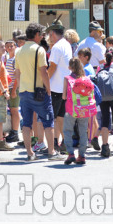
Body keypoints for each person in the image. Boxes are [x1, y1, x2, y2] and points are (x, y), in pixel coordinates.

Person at [15, 22, 64, 161]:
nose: (42, 36)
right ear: (36, 35)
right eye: (41, 34)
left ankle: (30, 153)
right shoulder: (39, 50)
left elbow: (17, 73)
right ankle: (51, 152)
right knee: (48, 122)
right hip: (38, 92)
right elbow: (44, 72)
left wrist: (20, 87)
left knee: (27, 124)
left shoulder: (19, 51)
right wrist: (48, 89)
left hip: (24, 91)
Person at [62, 57, 96, 165]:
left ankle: (71, 154)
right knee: (83, 131)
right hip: (84, 109)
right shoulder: (86, 79)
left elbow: (64, 96)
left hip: (71, 109)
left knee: (68, 130)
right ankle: (82, 155)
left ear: (70, 67)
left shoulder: (67, 79)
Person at [46, 19, 72, 154]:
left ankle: (53, 145)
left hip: (56, 87)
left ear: (52, 34)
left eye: (50, 34)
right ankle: (64, 143)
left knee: (51, 118)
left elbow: (52, 68)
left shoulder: (56, 47)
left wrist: (44, 83)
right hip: (65, 86)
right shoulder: (66, 44)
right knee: (61, 117)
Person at [4, 39, 20, 143]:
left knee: (14, 110)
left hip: (13, 88)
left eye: (12, 46)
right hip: (8, 88)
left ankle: (15, 132)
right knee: (12, 111)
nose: (10, 48)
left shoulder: (15, 59)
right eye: (8, 46)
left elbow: (17, 77)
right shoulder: (8, 58)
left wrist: (13, 90)